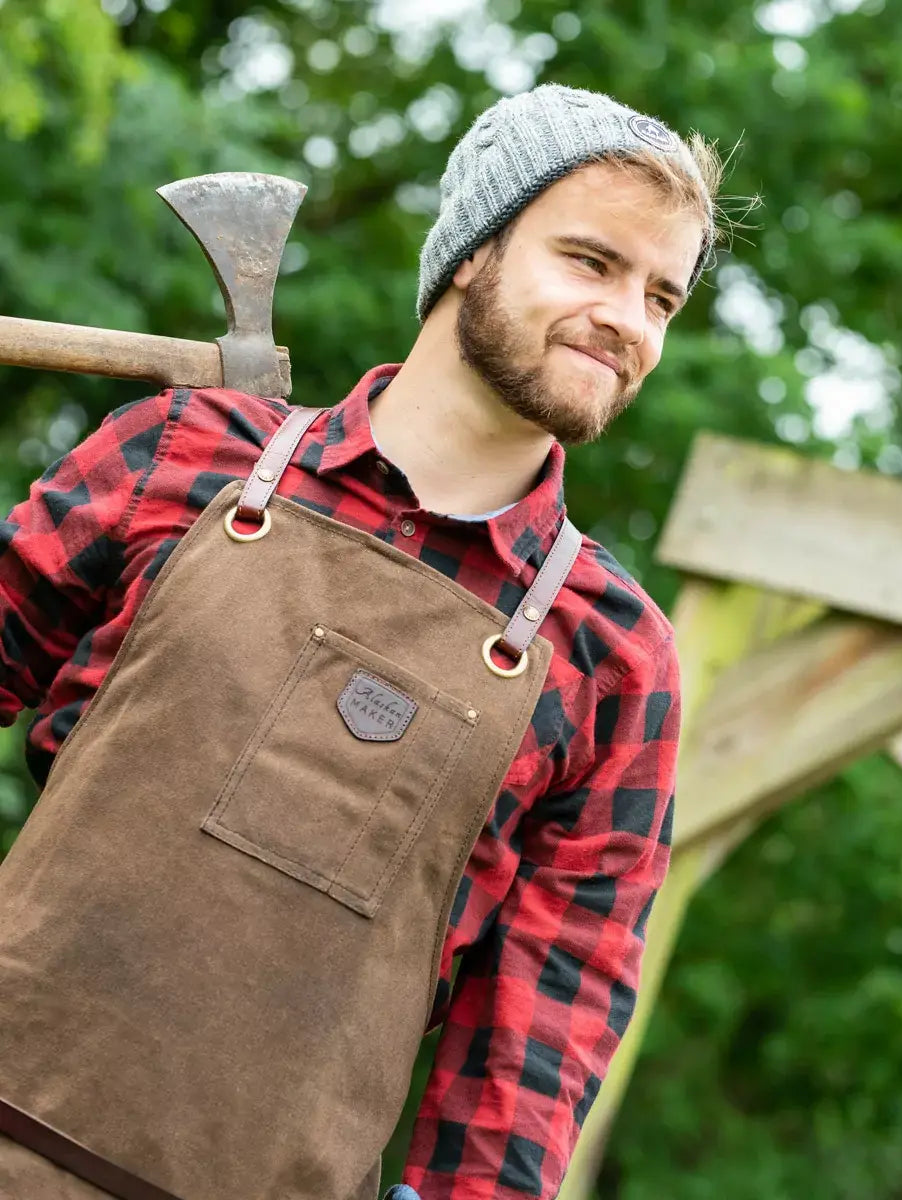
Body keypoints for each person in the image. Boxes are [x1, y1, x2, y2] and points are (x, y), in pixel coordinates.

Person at [0, 83, 723, 1200]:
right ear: (472, 255)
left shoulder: (613, 659)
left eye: (662, 297)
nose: (630, 319)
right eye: (592, 262)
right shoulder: (183, 456)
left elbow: (535, 1047)